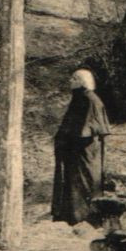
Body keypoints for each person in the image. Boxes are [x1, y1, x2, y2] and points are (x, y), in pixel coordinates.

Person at [50, 68, 111, 225]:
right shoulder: (81, 98)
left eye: (73, 78)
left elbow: (87, 130)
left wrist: (68, 141)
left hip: (85, 152)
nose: (70, 81)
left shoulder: (89, 100)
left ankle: (84, 217)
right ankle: (72, 215)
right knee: (74, 182)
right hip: (77, 151)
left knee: (85, 182)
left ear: (80, 82)